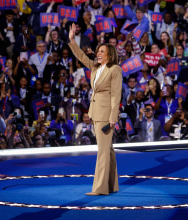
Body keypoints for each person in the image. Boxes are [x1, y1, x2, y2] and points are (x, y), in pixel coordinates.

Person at [68, 23, 121, 196]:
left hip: (106, 115)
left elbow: (116, 95)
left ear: (110, 55)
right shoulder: (96, 68)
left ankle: (100, 188)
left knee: (103, 152)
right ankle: (112, 185)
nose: (98, 54)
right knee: (108, 150)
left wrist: (113, 117)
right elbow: (82, 57)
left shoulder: (115, 70)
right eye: (98, 52)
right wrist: (72, 40)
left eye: (102, 52)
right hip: (95, 112)